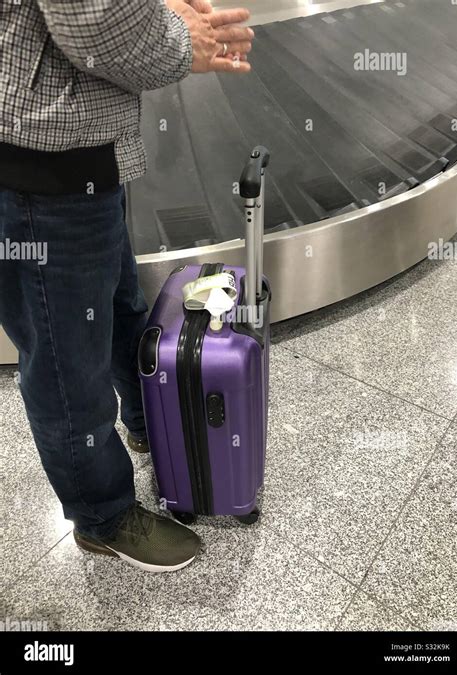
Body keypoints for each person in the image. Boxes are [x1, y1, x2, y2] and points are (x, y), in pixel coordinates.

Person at [0, 0, 254, 572]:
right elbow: (92, 20)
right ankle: (102, 515)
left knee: (119, 310)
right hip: (36, 168)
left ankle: (151, 425)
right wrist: (179, 37)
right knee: (68, 370)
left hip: (76, 153)